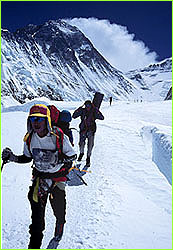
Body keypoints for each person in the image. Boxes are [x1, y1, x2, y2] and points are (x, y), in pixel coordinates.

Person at [2, 104, 77, 249]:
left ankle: (59, 226)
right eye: (33, 119)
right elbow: (27, 157)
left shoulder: (58, 135)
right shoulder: (30, 138)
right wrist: (12, 158)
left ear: (47, 121)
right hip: (39, 180)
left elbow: (72, 154)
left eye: (40, 119)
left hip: (57, 178)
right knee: (37, 222)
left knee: (59, 210)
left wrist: (58, 159)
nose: (36, 122)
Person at [72, 100, 104, 166]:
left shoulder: (94, 111)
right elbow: (74, 116)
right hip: (83, 130)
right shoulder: (82, 110)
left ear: (91, 105)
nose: (87, 107)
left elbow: (102, 117)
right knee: (81, 144)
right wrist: (78, 110)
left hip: (91, 131)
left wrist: (97, 110)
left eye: (89, 105)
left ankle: (88, 158)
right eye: (86, 105)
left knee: (90, 145)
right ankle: (81, 153)